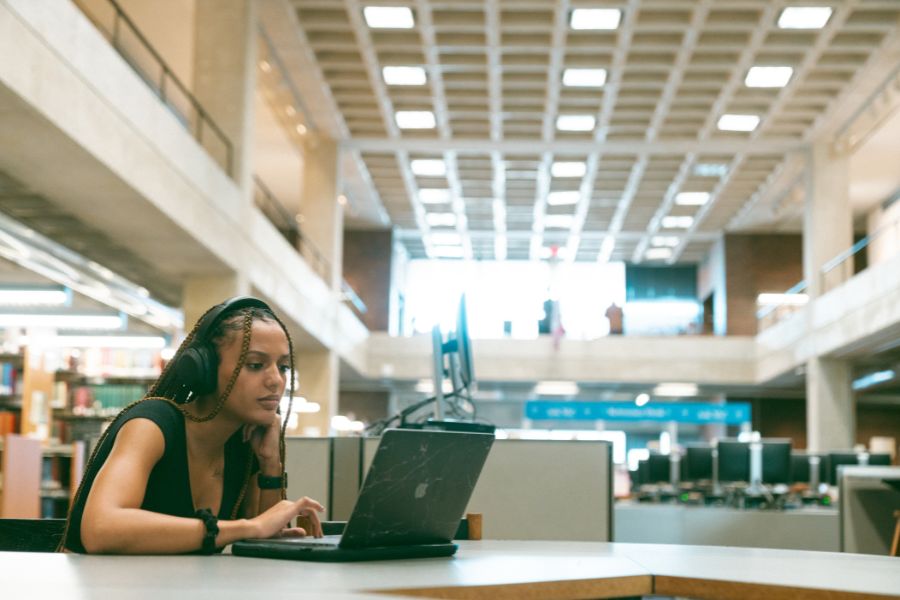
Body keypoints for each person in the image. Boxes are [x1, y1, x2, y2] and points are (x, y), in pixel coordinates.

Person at [60, 296, 324, 554]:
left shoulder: (243, 444)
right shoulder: (152, 424)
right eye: (255, 365)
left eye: (284, 367)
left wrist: (270, 465)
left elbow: (263, 546)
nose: (276, 380)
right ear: (204, 368)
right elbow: (100, 529)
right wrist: (247, 527)